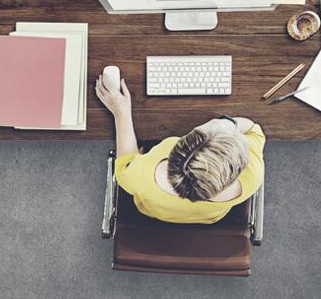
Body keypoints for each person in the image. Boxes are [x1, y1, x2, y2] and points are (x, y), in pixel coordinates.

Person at [95, 73, 266, 224]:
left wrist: (121, 113)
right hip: (209, 218)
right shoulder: (251, 176)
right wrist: (229, 124)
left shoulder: (143, 173)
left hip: (156, 213)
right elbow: (253, 129)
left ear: (177, 149)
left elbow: (123, 167)